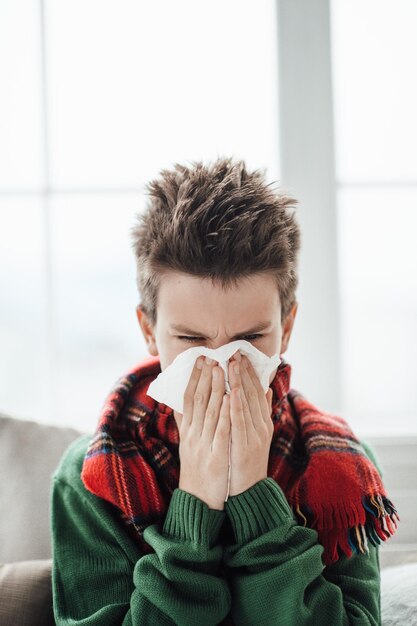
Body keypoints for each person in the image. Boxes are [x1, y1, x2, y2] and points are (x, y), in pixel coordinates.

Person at [51, 156, 398, 625]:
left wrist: (256, 497)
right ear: (149, 331)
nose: (222, 363)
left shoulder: (343, 471)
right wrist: (194, 503)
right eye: (192, 340)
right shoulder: (91, 480)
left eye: (251, 339)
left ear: (287, 327)